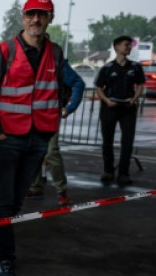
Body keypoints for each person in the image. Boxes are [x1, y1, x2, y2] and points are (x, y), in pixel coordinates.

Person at [0, 0, 66, 276]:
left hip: (38, 138)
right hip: (8, 138)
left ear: (50, 18)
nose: (35, 20)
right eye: (30, 14)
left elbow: (58, 89)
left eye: (41, 14)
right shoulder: (4, 51)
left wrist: (50, 127)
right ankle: (5, 258)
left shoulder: (55, 52)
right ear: (22, 18)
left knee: (15, 202)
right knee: (4, 201)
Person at [26, 59, 85, 204]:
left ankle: (61, 191)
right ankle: (35, 186)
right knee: (31, 150)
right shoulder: (27, 59)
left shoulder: (56, 62)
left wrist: (69, 108)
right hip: (30, 113)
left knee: (51, 152)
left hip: (50, 114)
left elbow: (78, 83)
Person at [95, 35, 145, 186]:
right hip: (110, 107)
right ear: (117, 47)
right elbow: (98, 88)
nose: (128, 47)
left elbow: (140, 85)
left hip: (128, 108)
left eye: (130, 45)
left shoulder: (135, 67)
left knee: (127, 142)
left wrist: (134, 98)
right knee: (107, 141)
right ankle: (108, 171)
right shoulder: (107, 67)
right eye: (125, 45)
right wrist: (106, 100)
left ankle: (124, 173)